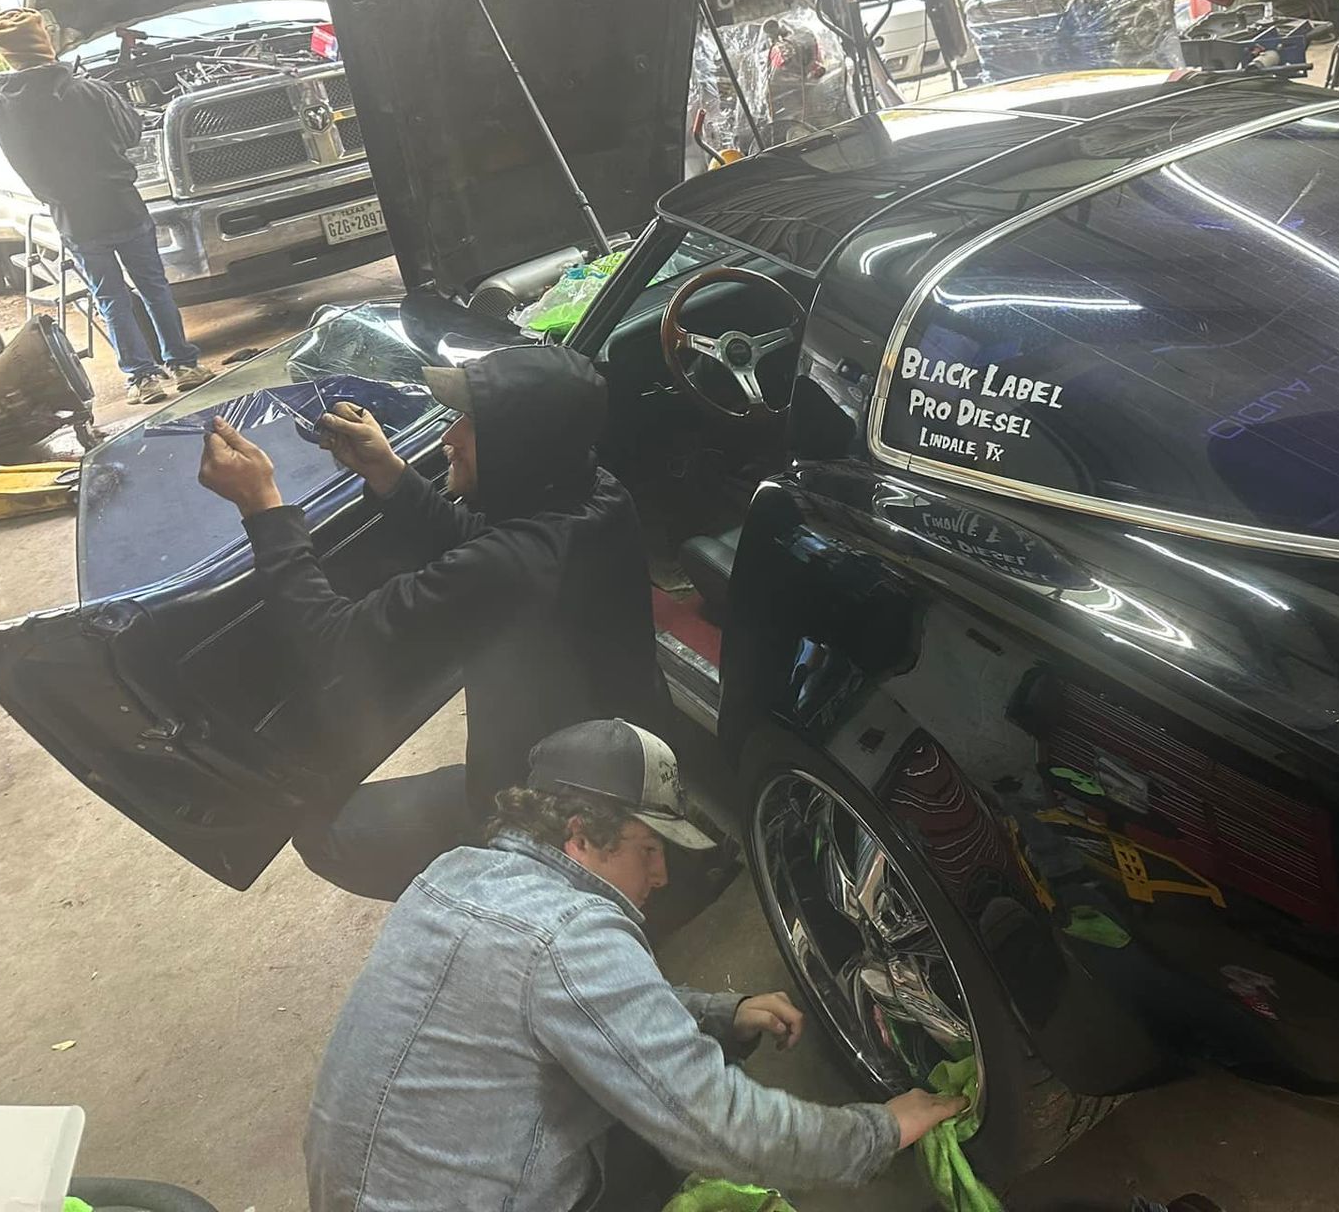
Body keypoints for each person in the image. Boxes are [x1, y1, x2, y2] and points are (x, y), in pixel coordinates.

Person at [305, 719, 966, 1212]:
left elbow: (571, 1003)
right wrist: (881, 1131)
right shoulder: (570, 933)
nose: (660, 874)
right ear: (581, 835)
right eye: (647, 848)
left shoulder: (454, 873)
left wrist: (716, 1014)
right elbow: (723, 1129)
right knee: (674, 1131)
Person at [196, 342, 673, 900]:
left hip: (545, 804)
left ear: (518, 449)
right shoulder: (595, 492)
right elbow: (487, 545)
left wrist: (264, 510)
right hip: (616, 766)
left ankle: (520, 895)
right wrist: (387, 471)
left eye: (470, 424)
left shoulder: (509, 565)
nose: (450, 437)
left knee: (325, 833)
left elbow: (333, 642)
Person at [0, 7, 212, 405]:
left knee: (110, 297)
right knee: (153, 286)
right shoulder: (87, 90)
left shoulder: (3, 109)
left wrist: (57, 197)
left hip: (75, 217)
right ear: (45, 43)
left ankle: (143, 379)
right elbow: (130, 131)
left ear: (8, 54)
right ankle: (183, 365)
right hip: (121, 204)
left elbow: (24, 167)